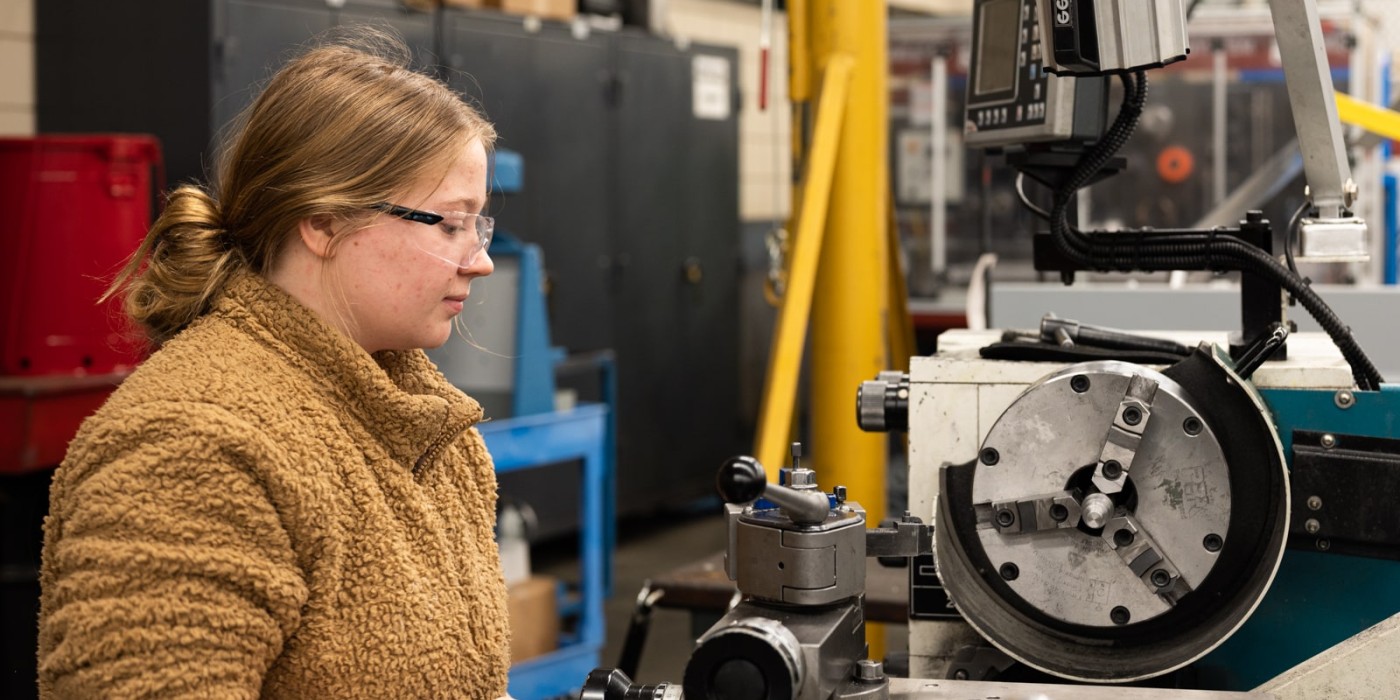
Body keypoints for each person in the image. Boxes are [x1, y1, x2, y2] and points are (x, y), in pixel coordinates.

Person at [37, 28, 510, 699]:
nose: (481, 259)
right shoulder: (193, 449)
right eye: (450, 224)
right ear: (322, 222)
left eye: (480, 225)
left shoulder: (428, 432)